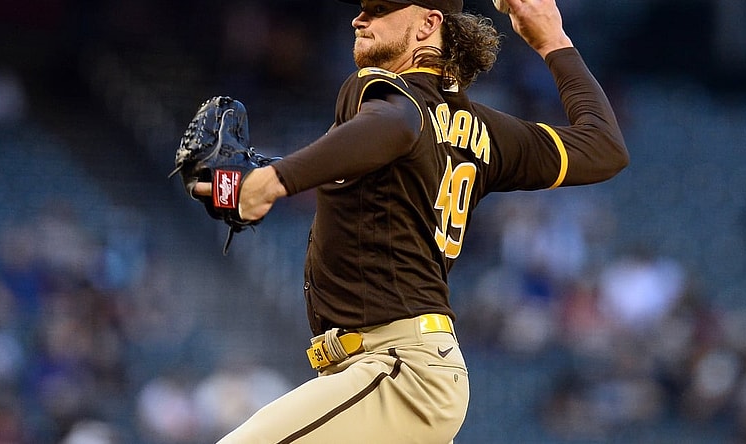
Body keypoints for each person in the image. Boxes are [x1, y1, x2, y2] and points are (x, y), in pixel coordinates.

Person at [195, 0, 629, 442]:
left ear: (428, 23)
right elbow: (604, 147)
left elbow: (397, 124)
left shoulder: (385, 92)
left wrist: (270, 181)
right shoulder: (487, 133)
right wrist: (552, 39)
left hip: (398, 369)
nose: (359, 19)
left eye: (380, 9)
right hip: (408, 373)